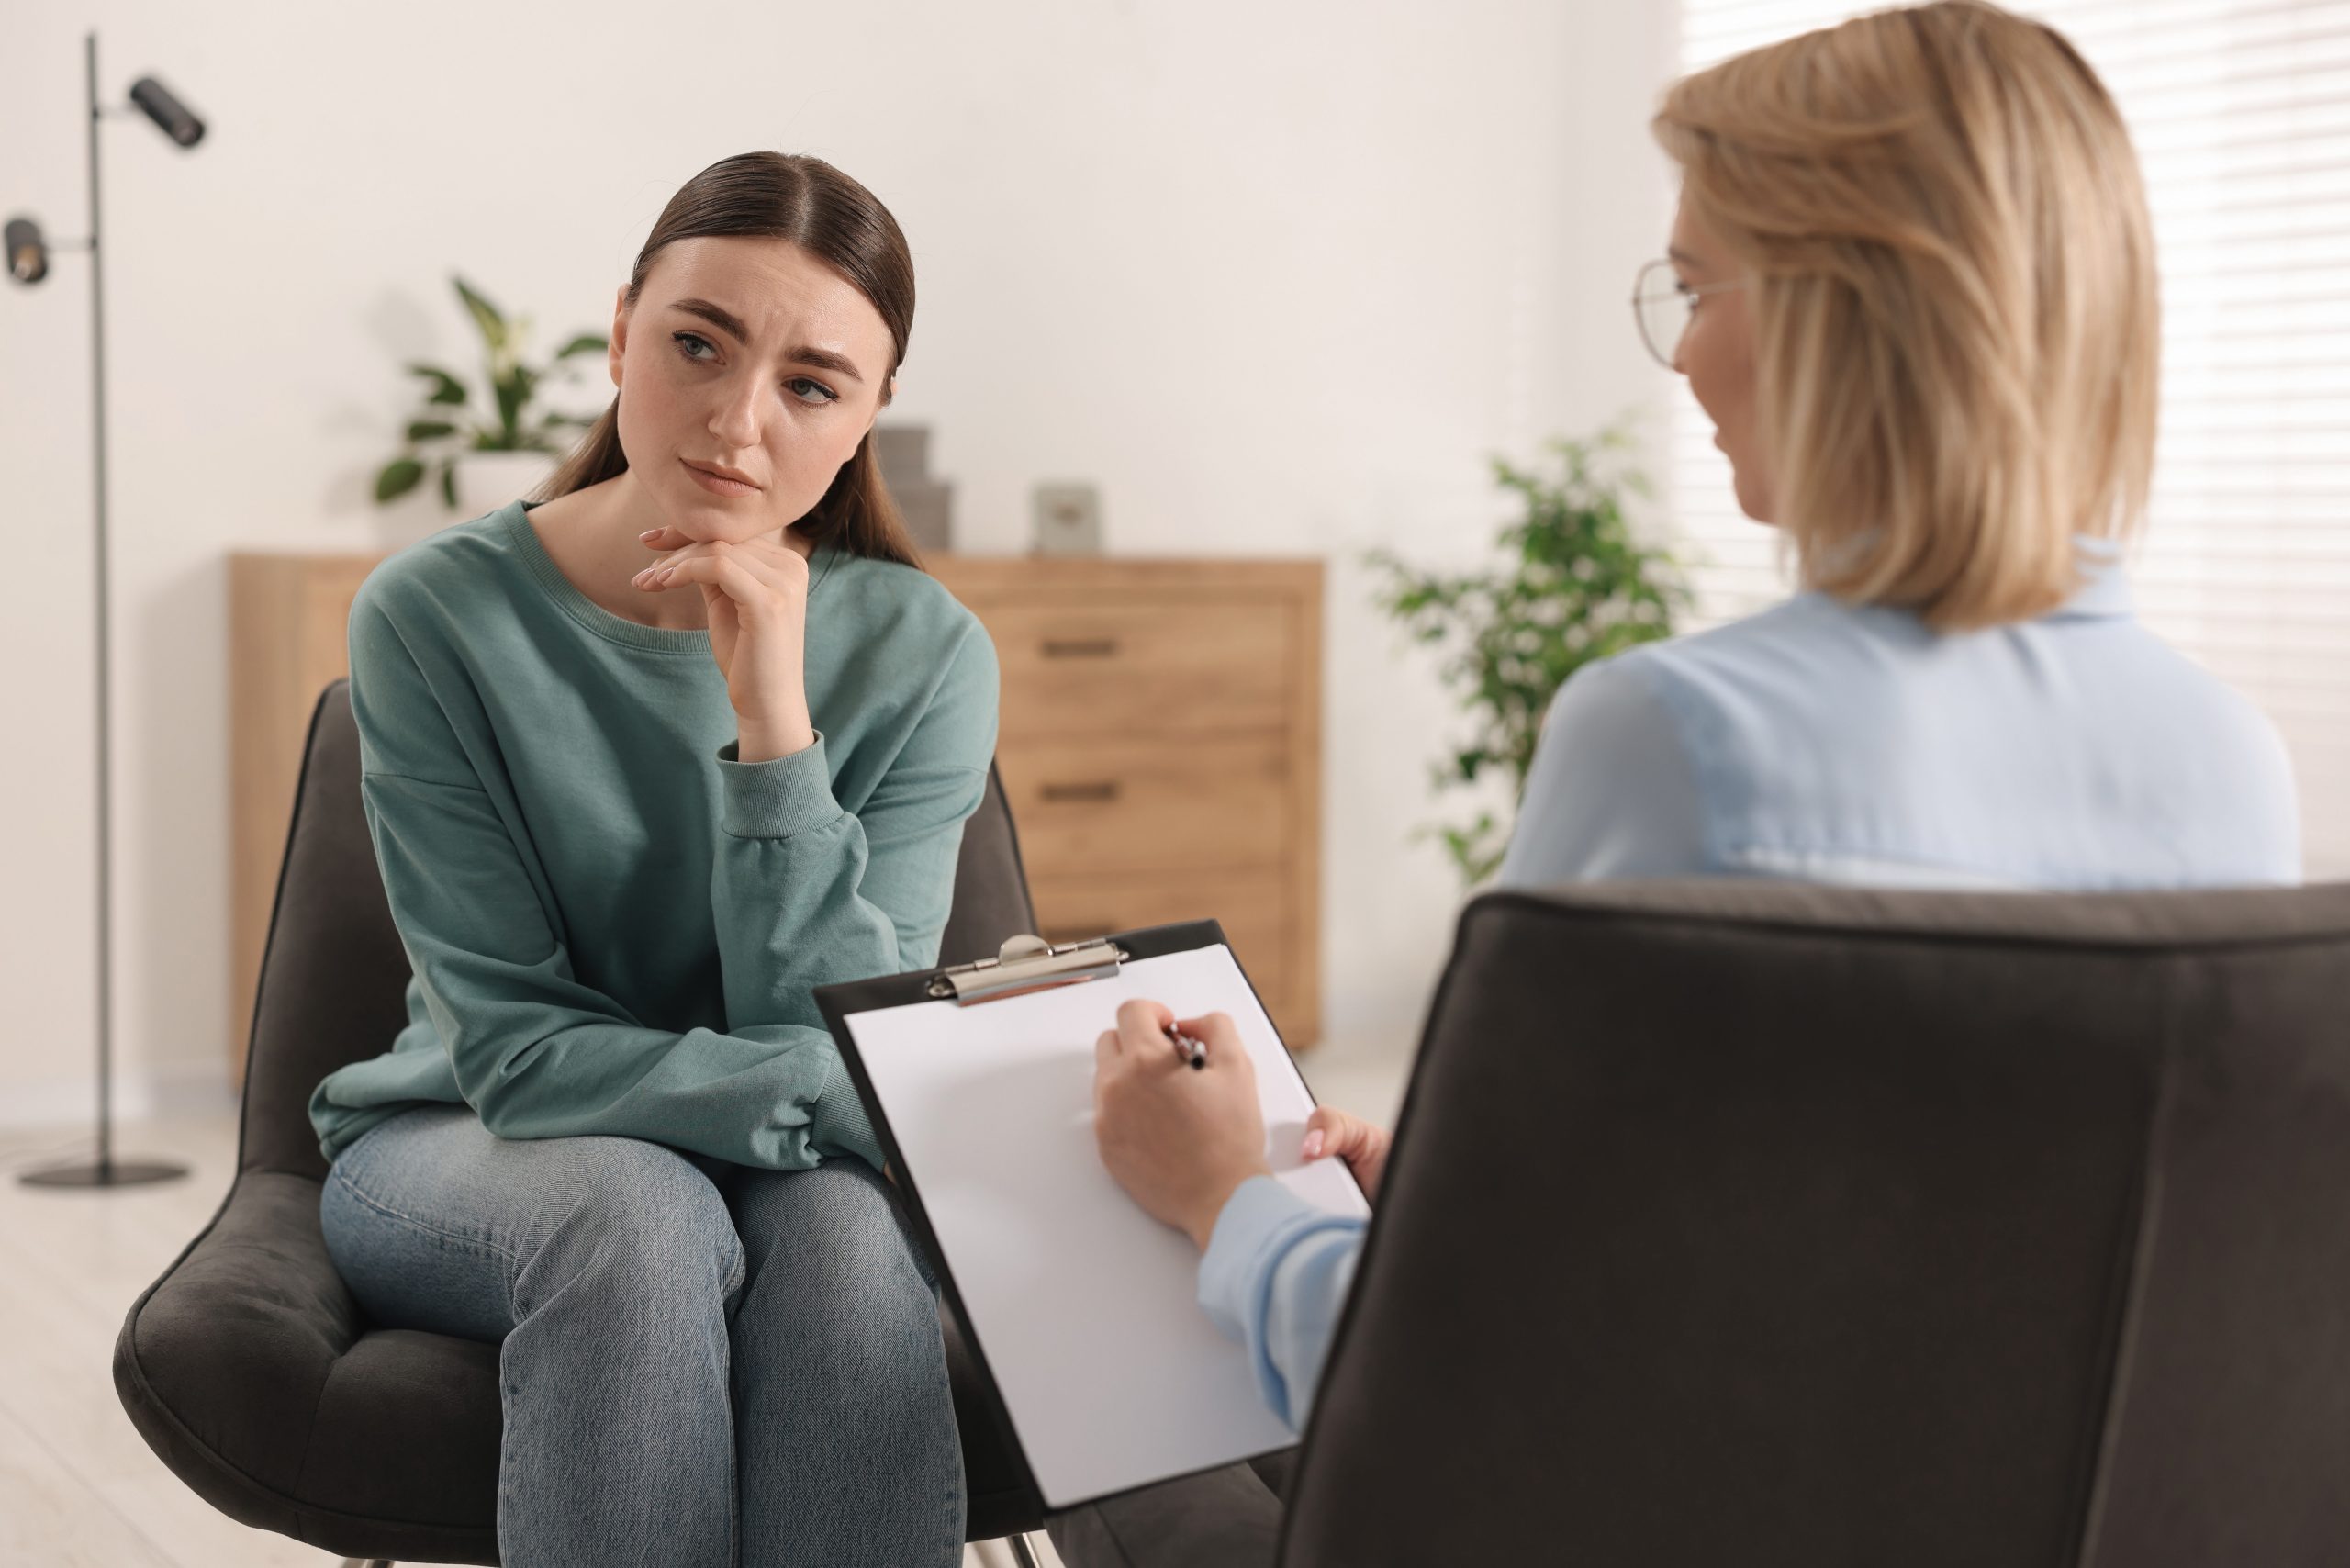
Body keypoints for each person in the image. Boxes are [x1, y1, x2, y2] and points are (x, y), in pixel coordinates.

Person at [1056, 4, 2302, 1562]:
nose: (1686, 346)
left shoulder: (1677, 736)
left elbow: (1466, 1390)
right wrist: (1463, 1190)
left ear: (1843, 311)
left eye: (1698, 284)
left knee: (1120, 1450)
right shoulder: (2233, 764)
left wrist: (1224, 1193)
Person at [306, 151, 996, 1568]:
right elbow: (515, 1052)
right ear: (623, 331)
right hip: (460, 1139)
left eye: (812, 384)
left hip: (767, 1159)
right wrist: (856, 1110)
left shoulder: (928, 656)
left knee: (853, 1256)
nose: (740, 423)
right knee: (639, 1210)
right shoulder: (435, 614)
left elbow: (844, 1027)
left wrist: (774, 726)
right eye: (698, 344)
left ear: (870, 416)